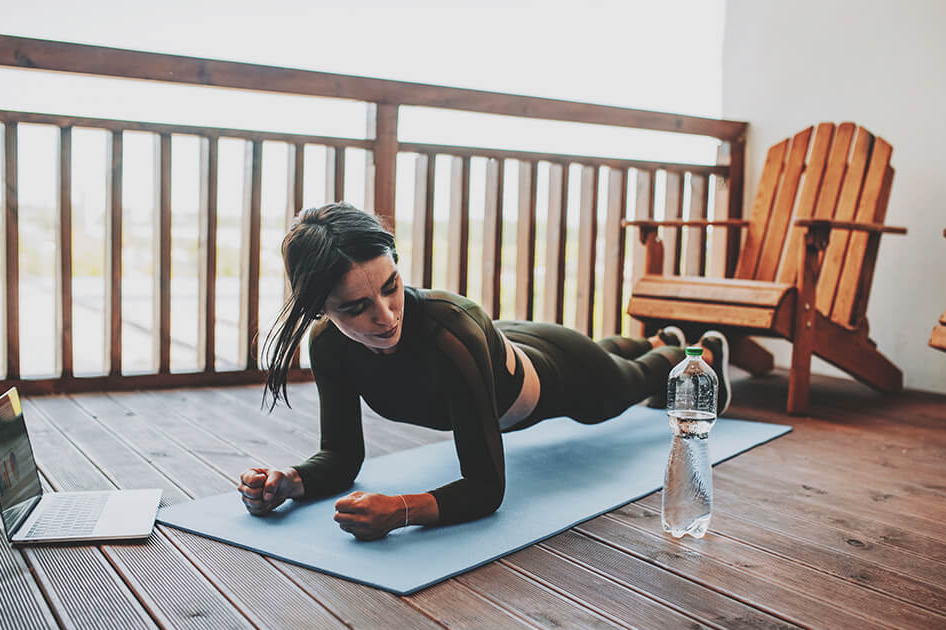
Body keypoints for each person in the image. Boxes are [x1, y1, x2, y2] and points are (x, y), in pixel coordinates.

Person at [237, 203, 730, 540]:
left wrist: (401, 511)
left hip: (561, 374)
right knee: (611, 354)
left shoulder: (448, 333)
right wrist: (291, 482)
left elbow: (486, 488)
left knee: (629, 382)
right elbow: (342, 456)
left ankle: (691, 354)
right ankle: (656, 340)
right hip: (503, 341)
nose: (386, 316)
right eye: (357, 307)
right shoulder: (328, 344)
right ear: (321, 308)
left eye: (391, 286)